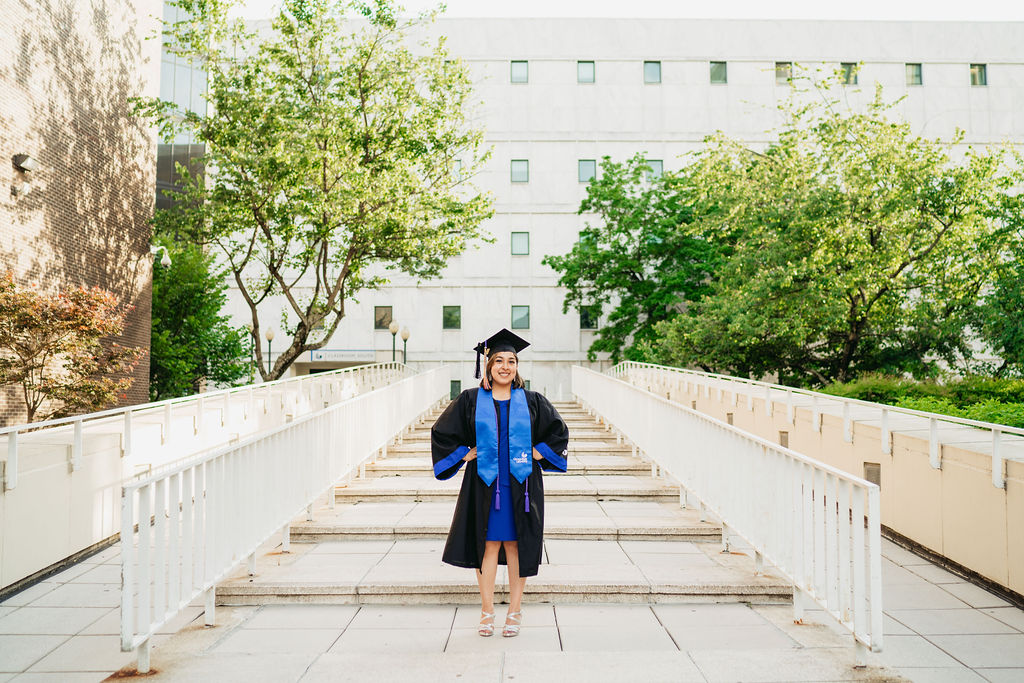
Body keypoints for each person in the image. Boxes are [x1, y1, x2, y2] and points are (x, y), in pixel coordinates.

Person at [431, 329, 569, 637]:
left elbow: (559, 431)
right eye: (499, 361)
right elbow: (441, 433)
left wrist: (539, 452)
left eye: (511, 361)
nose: (505, 367)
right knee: (488, 545)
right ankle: (487, 611)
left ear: (517, 367)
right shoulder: (470, 399)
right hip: (484, 483)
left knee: (517, 545)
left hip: (522, 484)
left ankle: (515, 611)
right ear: (489, 365)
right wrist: (464, 455)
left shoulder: (532, 401)